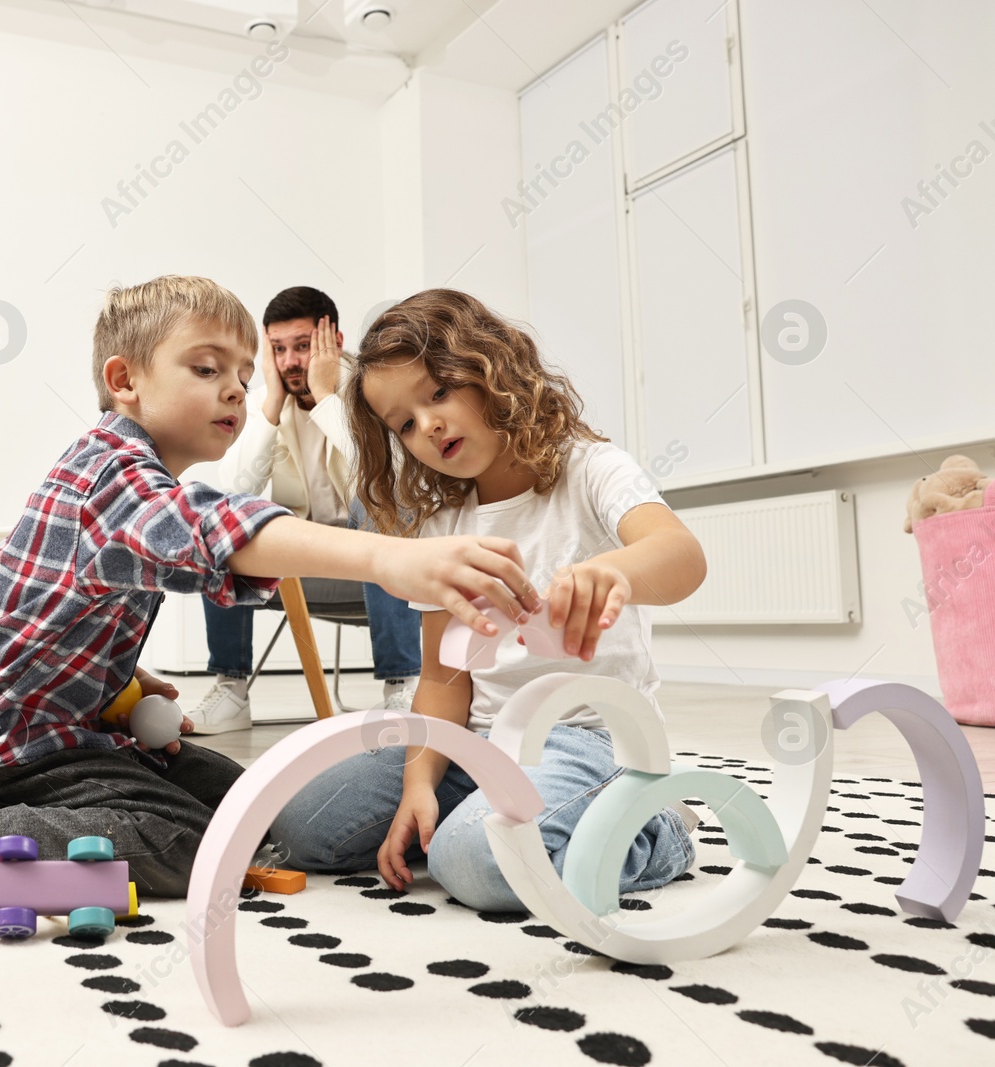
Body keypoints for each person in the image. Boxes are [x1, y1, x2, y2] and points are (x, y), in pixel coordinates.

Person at [0, 275, 543, 895]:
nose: (237, 390)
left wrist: (119, 675)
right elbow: (219, 527)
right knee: (191, 846)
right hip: (14, 749)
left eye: (244, 374)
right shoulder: (117, 472)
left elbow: (46, 604)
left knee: (247, 798)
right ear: (124, 380)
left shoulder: (129, 474)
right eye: (208, 370)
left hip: (65, 725)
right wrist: (389, 559)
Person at [270, 288, 706, 911]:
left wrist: (614, 573)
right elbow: (443, 679)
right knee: (300, 822)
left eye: (438, 393)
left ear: (489, 369)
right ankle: (494, 820)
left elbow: (682, 556)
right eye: (405, 424)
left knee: (471, 865)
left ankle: (655, 830)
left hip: (587, 739)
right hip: (475, 743)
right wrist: (420, 781)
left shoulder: (589, 468)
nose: (428, 425)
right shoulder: (441, 518)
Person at [187, 287, 422, 734]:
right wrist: (271, 405)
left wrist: (326, 394)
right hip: (298, 568)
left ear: (334, 342)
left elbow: (381, 486)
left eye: (302, 346)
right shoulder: (262, 404)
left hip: (378, 568)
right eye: (278, 349)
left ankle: (402, 686)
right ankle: (232, 692)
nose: (290, 361)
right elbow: (236, 491)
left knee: (380, 510)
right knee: (220, 520)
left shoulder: (371, 394)